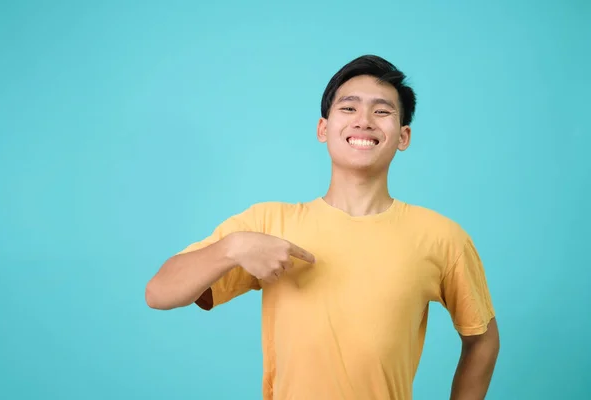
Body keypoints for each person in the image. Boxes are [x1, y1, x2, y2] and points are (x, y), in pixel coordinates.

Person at [145, 54, 500, 400]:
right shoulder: (269, 223)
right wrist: (233, 247)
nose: (364, 121)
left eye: (382, 111)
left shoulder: (442, 238)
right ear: (323, 128)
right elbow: (158, 293)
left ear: (403, 136)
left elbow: (482, 339)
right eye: (348, 108)